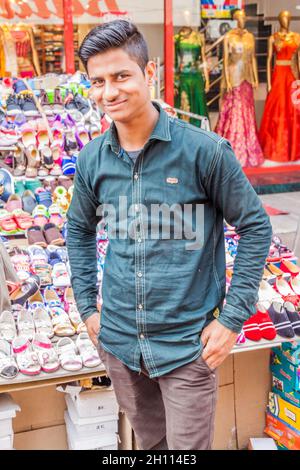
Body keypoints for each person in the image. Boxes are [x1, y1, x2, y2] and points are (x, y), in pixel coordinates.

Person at [67, 20, 272, 450]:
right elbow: (79, 229)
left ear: (150, 73)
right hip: (120, 343)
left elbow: (255, 226)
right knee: (151, 446)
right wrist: (88, 307)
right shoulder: (91, 160)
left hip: (187, 347)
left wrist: (233, 319)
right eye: (98, 81)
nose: (110, 92)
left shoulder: (204, 152)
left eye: (122, 76)